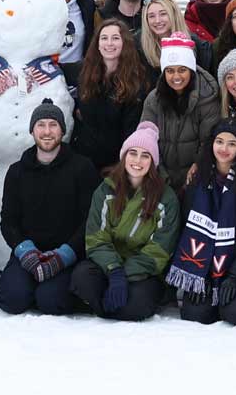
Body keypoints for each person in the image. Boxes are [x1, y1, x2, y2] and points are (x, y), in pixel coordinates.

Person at [0, 102, 100, 316]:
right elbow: (9, 221)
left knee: (50, 302)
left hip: (66, 253)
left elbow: (90, 221)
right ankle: (28, 283)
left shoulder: (82, 168)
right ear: (32, 130)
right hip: (29, 252)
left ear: (63, 130)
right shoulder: (17, 171)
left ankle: (51, 289)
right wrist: (26, 253)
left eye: (53, 125)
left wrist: (64, 255)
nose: (47, 131)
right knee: (11, 300)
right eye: (41, 125)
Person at [166, 117, 236, 326]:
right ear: (211, 144)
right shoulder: (198, 178)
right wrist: (201, 274)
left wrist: (235, 274)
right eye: (219, 142)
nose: (224, 149)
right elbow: (187, 230)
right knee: (195, 314)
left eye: (232, 143)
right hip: (205, 265)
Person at [70, 122, 181, 322]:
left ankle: (104, 306)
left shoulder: (166, 197)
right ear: (124, 156)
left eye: (145, 155)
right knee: (81, 278)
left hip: (143, 272)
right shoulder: (106, 189)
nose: (137, 161)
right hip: (108, 266)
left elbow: (160, 250)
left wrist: (124, 272)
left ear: (153, 162)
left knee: (137, 306)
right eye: (133, 153)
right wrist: (114, 271)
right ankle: (107, 304)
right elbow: (96, 239)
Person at [141, 34, 222, 195]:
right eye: (170, 71)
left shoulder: (207, 97)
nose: (176, 77)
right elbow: (146, 139)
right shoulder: (153, 100)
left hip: (195, 177)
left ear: (190, 70)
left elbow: (208, 140)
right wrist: (161, 177)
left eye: (182, 70)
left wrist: (198, 166)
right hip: (160, 178)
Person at [70, 17, 151, 177]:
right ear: (97, 44)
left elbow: (131, 131)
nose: (109, 43)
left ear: (124, 43)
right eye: (104, 38)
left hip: (115, 165)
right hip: (83, 160)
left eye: (115, 38)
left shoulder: (135, 81)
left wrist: (120, 165)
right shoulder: (84, 72)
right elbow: (55, 68)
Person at [137, 0, 212, 74]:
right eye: (151, 16)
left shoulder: (199, 46)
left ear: (174, 15)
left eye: (163, 14)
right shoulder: (138, 46)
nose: (157, 21)